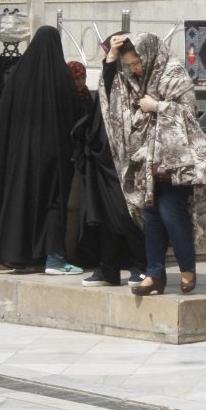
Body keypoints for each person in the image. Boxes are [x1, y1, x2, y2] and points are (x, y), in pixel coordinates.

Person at [100, 33, 206, 295]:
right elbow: (111, 96)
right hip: (145, 159)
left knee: (172, 213)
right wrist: (111, 59)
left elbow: (189, 113)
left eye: (138, 62)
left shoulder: (173, 72)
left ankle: (187, 268)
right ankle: (155, 274)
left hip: (175, 162)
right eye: (131, 64)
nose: (135, 68)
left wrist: (158, 106)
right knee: (152, 216)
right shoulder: (135, 79)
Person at [0, 26, 85, 275]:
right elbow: (77, 118)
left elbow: (4, 119)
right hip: (54, 156)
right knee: (52, 203)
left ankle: (19, 256)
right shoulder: (61, 78)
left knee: (21, 201)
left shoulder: (17, 76)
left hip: (19, 157)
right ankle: (53, 257)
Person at [72, 45, 146, 287]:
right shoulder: (109, 84)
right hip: (102, 161)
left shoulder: (137, 84)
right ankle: (108, 269)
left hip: (127, 160)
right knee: (103, 216)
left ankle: (141, 265)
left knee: (127, 214)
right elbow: (103, 95)